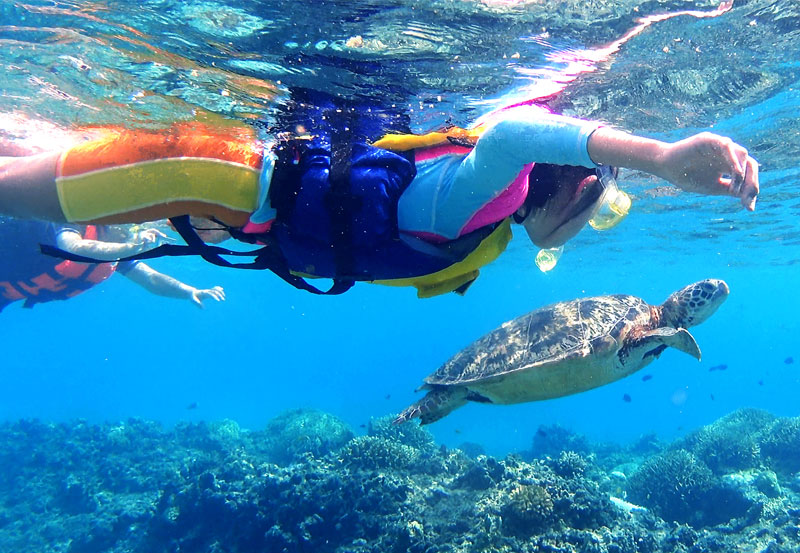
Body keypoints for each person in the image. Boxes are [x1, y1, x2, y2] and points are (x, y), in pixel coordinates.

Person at [0, 93, 759, 298]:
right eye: (602, 212)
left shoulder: (483, 224)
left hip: (218, 195)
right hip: (205, 173)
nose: (592, 228)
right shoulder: (480, 197)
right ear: (573, 191)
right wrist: (658, 155)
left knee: (27, 167)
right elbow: (514, 133)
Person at [0, 217, 225, 312]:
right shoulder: (75, 218)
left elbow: (151, 279)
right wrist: (127, 249)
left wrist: (189, 292)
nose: (131, 230)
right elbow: (71, 246)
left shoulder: (115, 246)